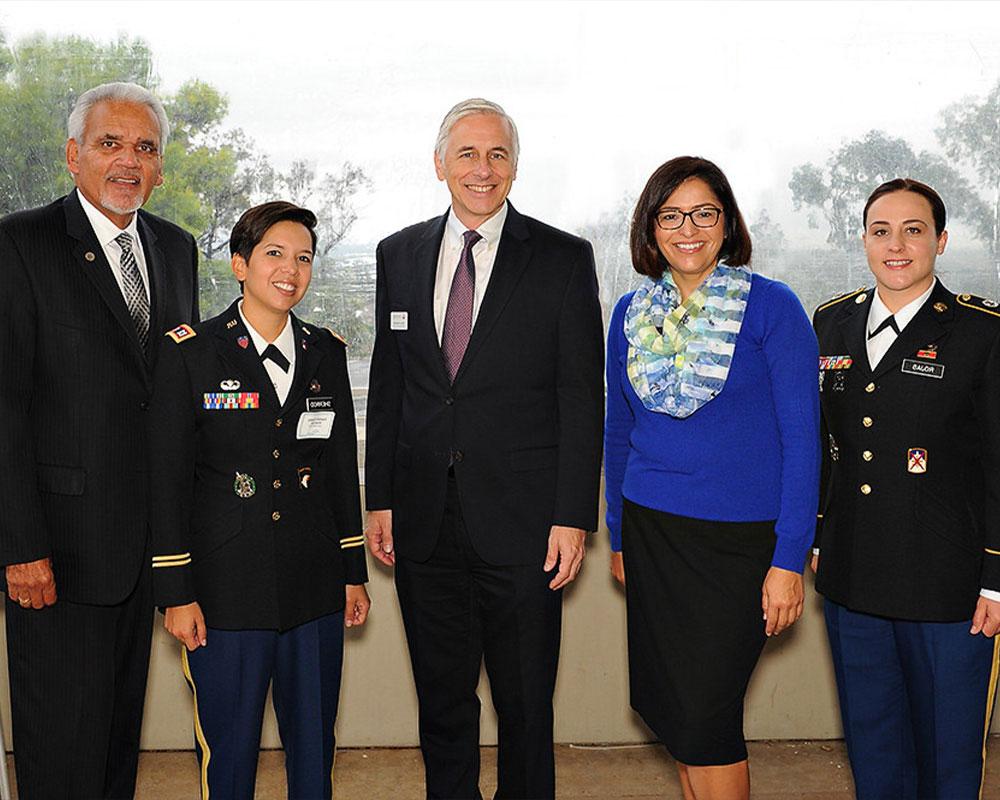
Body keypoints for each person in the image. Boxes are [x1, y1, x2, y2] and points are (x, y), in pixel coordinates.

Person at [364, 98, 604, 799]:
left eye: (497, 154)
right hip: (423, 522)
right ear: (439, 164)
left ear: (515, 166)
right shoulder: (398, 253)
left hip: (527, 526)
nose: (482, 168)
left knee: (526, 706)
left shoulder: (562, 257)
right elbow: (390, 386)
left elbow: (579, 396)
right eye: (466, 153)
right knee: (443, 704)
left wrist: (572, 515)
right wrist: (378, 498)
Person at [0, 81, 198, 798]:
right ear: (72, 155)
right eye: (110, 143)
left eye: (144, 147)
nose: (127, 161)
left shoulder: (175, 250)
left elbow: (174, 397)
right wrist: (19, 545)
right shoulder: (19, 245)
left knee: (116, 747)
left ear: (161, 166)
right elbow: (5, 408)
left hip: (145, 549)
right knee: (61, 754)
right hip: (55, 552)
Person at [604, 156, 820, 800]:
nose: (687, 229)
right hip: (652, 532)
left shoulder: (773, 308)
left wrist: (788, 558)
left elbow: (804, 441)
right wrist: (617, 535)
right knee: (676, 715)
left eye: (703, 213)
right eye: (670, 216)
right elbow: (619, 432)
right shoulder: (629, 314)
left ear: (727, 224)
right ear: (651, 230)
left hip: (741, 546)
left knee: (708, 716)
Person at [148, 201, 370, 799]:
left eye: (303, 258)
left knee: (313, 754)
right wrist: (175, 591)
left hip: (313, 587)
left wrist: (353, 573)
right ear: (240, 264)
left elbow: (337, 475)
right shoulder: (191, 351)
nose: (290, 270)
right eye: (274, 254)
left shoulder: (326, 351)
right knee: (230, 757)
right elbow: (167, 480)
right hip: (224, 592)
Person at [813, 178, 1000, 799]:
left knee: (946, 757)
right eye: (880, 230)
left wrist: (996, 576)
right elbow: (821, 448)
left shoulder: (982, 331)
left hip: (950, 587)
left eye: (913, 230)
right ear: (864, 239)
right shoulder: (831, 322)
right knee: (875, 749)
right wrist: (815, 540)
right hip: (854, 578)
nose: (896, 245)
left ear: (940, 241)